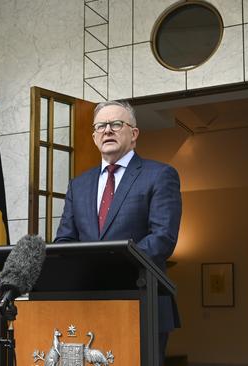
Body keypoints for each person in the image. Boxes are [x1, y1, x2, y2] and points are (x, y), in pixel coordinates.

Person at [54, 100, 182, 365]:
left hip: (142, 302)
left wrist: (110, 262)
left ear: (134, 134)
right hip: (87, 303)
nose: (107, 131)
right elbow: (65, 240)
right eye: (101, 126)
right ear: (93, 136)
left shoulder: (160, 175)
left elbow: (163, 238)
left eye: (116, 124)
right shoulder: (78, 185)